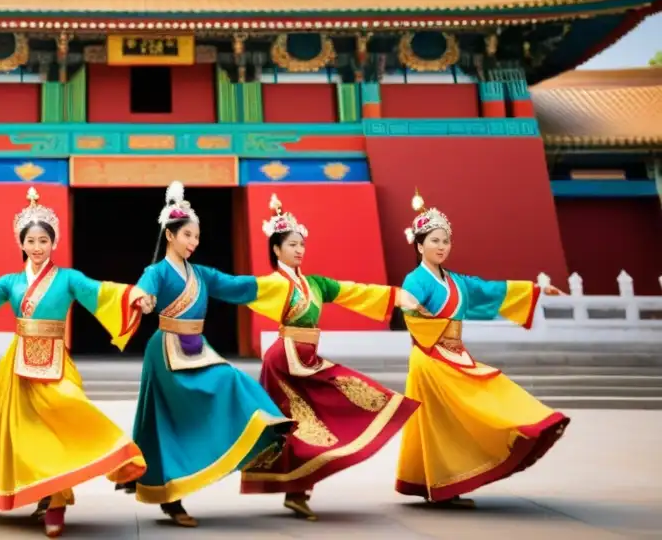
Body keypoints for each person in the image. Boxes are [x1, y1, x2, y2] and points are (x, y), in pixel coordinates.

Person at [0, 186, 150, 538]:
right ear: (22, 244)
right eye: (31, 241)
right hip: (18, 365)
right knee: (29, 436)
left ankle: (108, 456)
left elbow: (100, 291)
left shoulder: (69, 278)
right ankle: (51, 499)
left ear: (53, 243)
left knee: (68, 408)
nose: (38, 247)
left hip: (56, 358)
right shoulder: (11, 283)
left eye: (44, 240)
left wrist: (133, 296)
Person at [121, 181, 296, 528]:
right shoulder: (156, 272)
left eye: (196, 237)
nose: (193, 242)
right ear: (170, 235)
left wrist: (276, 284)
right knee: (170, 422)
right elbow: (143, 288)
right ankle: (171, 497)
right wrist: (143, 298)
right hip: (167, 350)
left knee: (230, 379)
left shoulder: (200, 273)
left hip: (198, 349)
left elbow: (235, 286)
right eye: (187, 235)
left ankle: (262, 425)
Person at [240, 193, 422, 519]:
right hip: (284, 362)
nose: (299, 250)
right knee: (297, 427)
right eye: (292, 245)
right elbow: (235, 286)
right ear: (276, 249)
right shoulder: (273, 284)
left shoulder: (316, 284)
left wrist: (396, 297)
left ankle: (298, 490)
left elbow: (354, 291)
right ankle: (296, 491)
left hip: (307, 359)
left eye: (301, 244)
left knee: (328, 413)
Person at [394, 190, 569, 507]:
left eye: (446, 240)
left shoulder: (458, 282)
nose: (442, 246)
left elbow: (493, 291)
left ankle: (445, 484)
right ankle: (443, 486)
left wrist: (537, 290)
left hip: (456, 355)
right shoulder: (415, 279)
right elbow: (408, 308)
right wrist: (418, 309)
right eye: (434, 240)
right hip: (431, 358)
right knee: (442, 423)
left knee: (460, 418)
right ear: (419, 245)